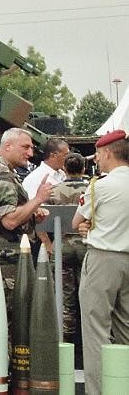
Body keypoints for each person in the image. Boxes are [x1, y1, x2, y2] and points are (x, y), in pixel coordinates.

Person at [73, 129, 129, 395]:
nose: (96, 159)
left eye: (98, 153)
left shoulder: (100, 186)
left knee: (96, 332)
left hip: (102, 260)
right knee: (126, 329)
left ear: (107, 153)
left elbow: (76, 222)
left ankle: (99, 391)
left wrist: (89, 227)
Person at [0, 128, 54, 311]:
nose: (30, 153)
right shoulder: (3, 175)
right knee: (10, 319)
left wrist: (31, 212)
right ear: (7, 146)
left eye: (31, 148)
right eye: (25, 147)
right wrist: (38, 199)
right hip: (6, 261)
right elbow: (9, 221)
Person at [49, 152, 89, 348]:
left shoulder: (54, 191)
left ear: (64, 168)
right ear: (83, 169)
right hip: (86, 247)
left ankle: (66, 341)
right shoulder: (91, 189)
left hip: (62, 247)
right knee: (88, 295)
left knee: (65, 298)